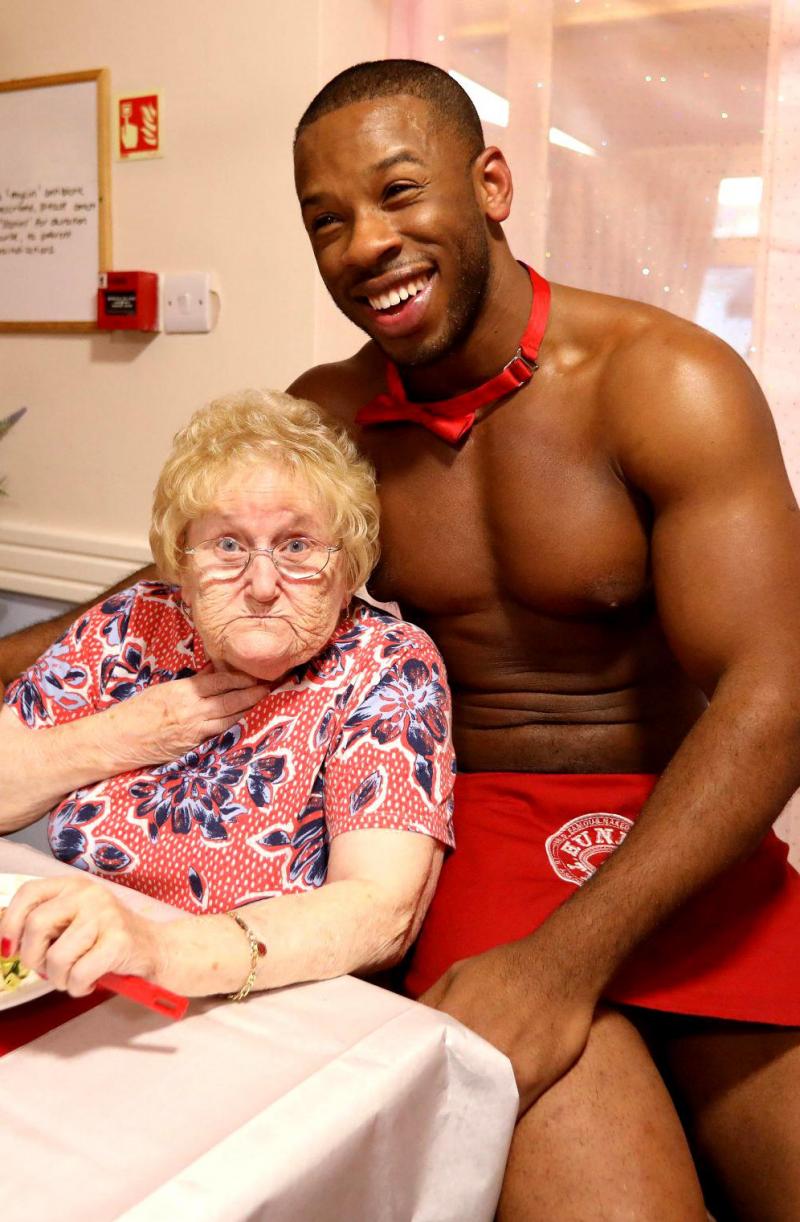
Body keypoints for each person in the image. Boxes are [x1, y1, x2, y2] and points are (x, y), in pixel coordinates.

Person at [2, 59, 800, 1219]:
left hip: (682, 835)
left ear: (490, 185)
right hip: (474, 842)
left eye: (397, 192)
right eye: (326, 220)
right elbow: (177, 582)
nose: (366, 242)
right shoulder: (331, 417)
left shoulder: (664, 381)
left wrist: (567, 959)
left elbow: (771, 694)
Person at [0, 388, 455, 1004]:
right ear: (181, 564)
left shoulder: (387, 665)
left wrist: (162, 952)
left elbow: (379, 912)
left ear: (348, 568)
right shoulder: (130, 625)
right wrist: (117, 737)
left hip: (266, 1004)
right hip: (72, 980)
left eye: (297, 546)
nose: (262, 584)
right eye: (229, 545)